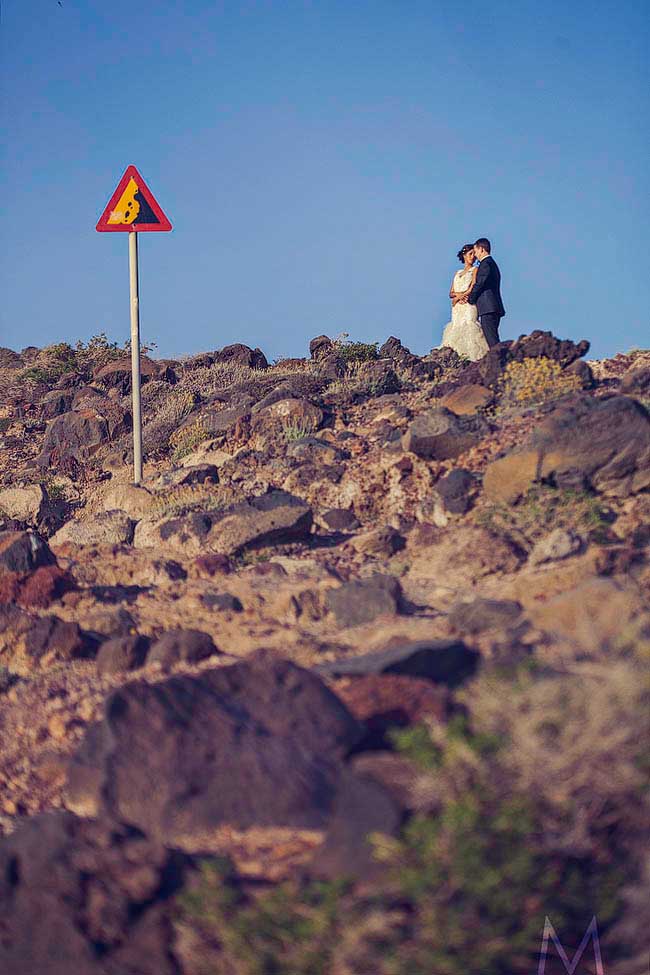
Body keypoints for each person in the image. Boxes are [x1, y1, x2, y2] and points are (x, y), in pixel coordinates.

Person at [440, 244, 490, 360]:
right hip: (457, 308)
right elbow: (451, 292)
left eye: (474, 254)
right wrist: (457, 297)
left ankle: (472, 358)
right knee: (456, 327)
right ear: (464, 255)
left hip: (468, 304)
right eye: (470, 254)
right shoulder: (457, 273)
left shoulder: (475, 270)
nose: (472, 257)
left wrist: (459, 297)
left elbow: (473, 286)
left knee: (470, 326)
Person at [466, 238, 505, 347]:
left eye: (476, 251)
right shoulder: (491, 263)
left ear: (482, 249)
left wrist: (471, 298)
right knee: (492, 337)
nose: (475, 255)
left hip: (488, 308)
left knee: (492, 340)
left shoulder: (486, 264)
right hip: (492, 307)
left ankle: (501, 360)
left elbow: (480, 283)